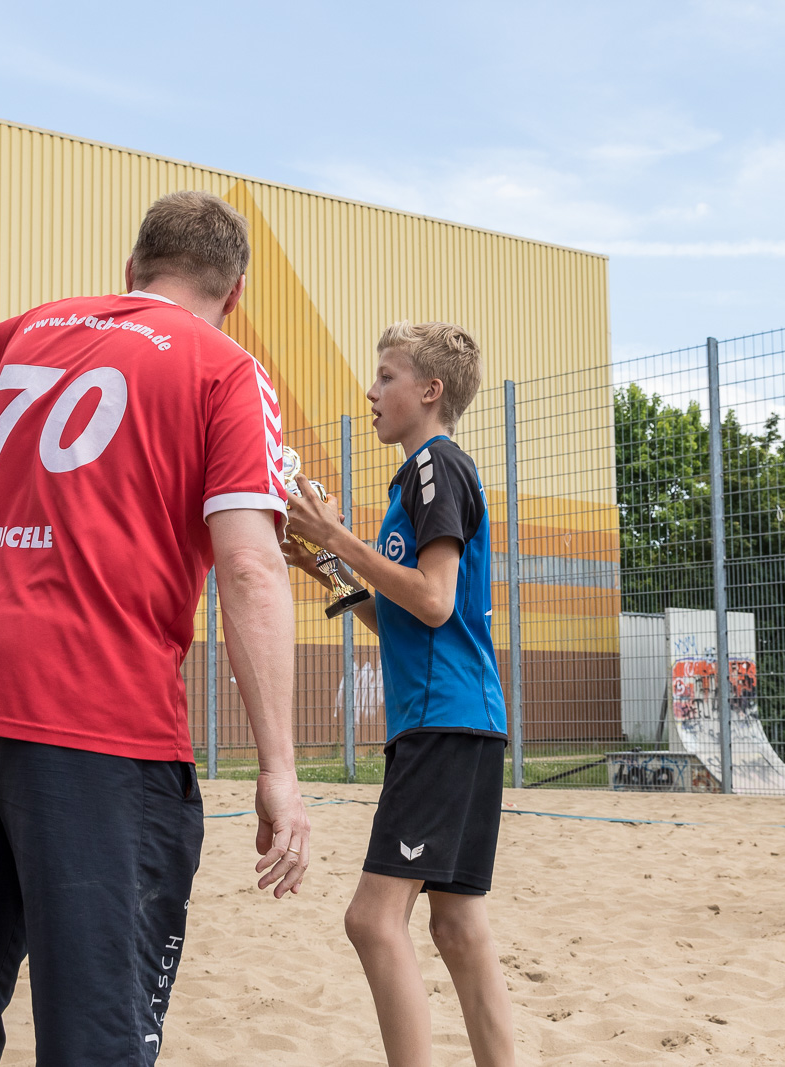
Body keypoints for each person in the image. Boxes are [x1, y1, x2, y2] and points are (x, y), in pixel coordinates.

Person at [0, 190, 309, 1065]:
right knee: (96, 1029)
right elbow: (250, 568)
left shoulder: (28, 330)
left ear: (131, 269)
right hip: (98, 710)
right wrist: (279, 767)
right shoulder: (227, 368)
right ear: (234, 294)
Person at [285, 321, 516, 1067]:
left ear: (430, 390)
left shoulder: (434, 467)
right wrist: (327, 563)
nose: (371, 391)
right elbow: (402, 615)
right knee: (457, 926)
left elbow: (435, 601)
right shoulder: (421, 478)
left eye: (387, 376)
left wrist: (339, 537)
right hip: (463, 720)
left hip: (443, 722)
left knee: (372, 921)